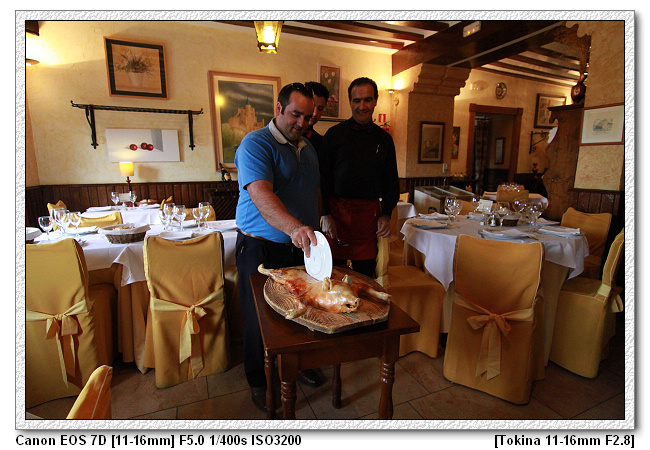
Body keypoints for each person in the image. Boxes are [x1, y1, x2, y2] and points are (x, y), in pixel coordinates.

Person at [234, 82, 324, 412]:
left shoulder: (308, 147)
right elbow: (261, 195)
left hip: (299, 246)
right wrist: (295, 228)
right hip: (261, 248)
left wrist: (317, 225)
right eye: (295, 114)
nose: (302, 122)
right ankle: (260, 381)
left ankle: (295, 366)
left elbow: (313, 192)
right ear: (278, 109)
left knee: (299, 312)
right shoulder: (255, 143)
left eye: (308, 116)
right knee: (259, 319)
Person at [319, 77, 400, 278]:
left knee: (366, 277)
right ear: (350, 101)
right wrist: (325, 213)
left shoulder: (384, 139)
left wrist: (386, 214)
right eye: (357, 100)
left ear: (375, 101)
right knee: (333, 277)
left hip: (368, 219)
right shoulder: (333, 135)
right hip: (336, 216)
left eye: (367, 100)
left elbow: (391, 181)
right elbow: (322, 178)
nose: (362, 106)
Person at [303, 81, 330, 157]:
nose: (315, 113)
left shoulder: (322, 142)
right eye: (312, 106)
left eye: (320, 109)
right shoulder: (286, 135)